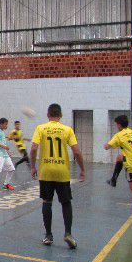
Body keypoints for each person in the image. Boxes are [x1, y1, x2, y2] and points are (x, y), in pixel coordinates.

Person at [30, 104, 86, 249]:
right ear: (60, 115)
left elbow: (34, 148)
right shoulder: (67, 130)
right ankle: (68, 233)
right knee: (66, 202)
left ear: (48, 114)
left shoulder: (40, 128)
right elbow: (77, 152)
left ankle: (48, 235)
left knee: (47, 202)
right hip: (62, 172)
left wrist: (32, 167)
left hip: (46, 171)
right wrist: (82, 170)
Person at [104, 115, 132, 221]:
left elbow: (107, 147)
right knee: (119, 157)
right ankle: (113, 180)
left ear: (119, 125)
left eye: (116, 125)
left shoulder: (119, 135)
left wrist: (106, 145)